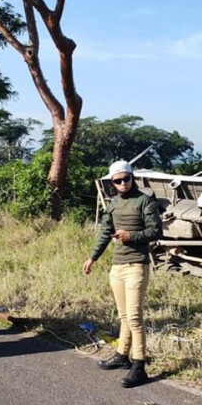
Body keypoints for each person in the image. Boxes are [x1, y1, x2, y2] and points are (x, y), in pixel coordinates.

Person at [82, 159, 162, 388]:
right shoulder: (114, 204)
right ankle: (122, 355)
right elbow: (105, 232)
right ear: (112, 182)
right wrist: (92, 258)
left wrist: (131, 236)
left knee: (135, 317)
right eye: (117, 180)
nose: (122, 183)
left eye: (126, 178)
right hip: (117, 266)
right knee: (124, 316)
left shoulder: (145, 201)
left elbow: (156, 231)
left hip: (137, 265)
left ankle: (140, 367)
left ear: (132, 177)